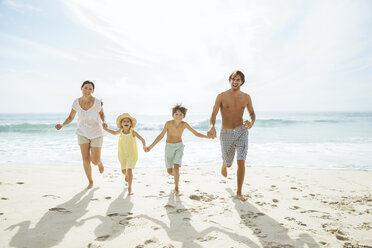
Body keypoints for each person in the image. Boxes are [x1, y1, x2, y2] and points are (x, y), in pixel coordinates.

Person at [208, 70, 255, 201]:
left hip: (241, 131)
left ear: (242, 82)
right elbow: (213, 115)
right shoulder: (221, 96)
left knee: (241, 161)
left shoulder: (246, 97)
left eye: (238, 80)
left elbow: (252, 113)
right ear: (230, 80)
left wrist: (251, 122)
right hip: (226, 133)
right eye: (234, 79)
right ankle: (224, 164)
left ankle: (239, 192)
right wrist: (212, 126)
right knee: (229, 164)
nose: (235, 82)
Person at [146, 104, 212, 195]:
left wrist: (207, 137)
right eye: (176, 114)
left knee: (176, 167)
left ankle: (176, 188)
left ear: (184, 116)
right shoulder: (168, 124)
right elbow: (161, 136)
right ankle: (175, 176)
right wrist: (150, 147)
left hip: (179, 147)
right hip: (169, 147)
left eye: (181, 114)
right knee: (170, 171)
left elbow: (195, 133)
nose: (178, 116)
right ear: (173, 115)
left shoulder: (184, 125)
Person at [55, 80, 105, 189]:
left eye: (90, 89)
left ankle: (99, 162)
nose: (87, 90)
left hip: (96, 132)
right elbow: (70, 117)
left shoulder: (97, 102)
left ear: (93, 91)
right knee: (85, 159)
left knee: (95, 161)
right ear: (81, 88)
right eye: (85, 88)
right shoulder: (76, 102)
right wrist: (62, 124)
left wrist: (104, 122)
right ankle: (90, 181)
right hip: (82, 132)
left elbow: (102, 114)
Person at [102, 113, 146, 195]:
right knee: (123, 171)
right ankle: (126, 175)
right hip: (122, 154)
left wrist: (144, 146)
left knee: (129, 169)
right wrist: (105, 129)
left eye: (128, 121)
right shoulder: (120, 131)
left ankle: (129, 188)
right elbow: (114, 132)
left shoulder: (133, 132)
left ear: (130, 124)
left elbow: (142, 139)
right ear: (121, 124)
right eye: (124, 121)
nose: (126, 122)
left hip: (132, 154)